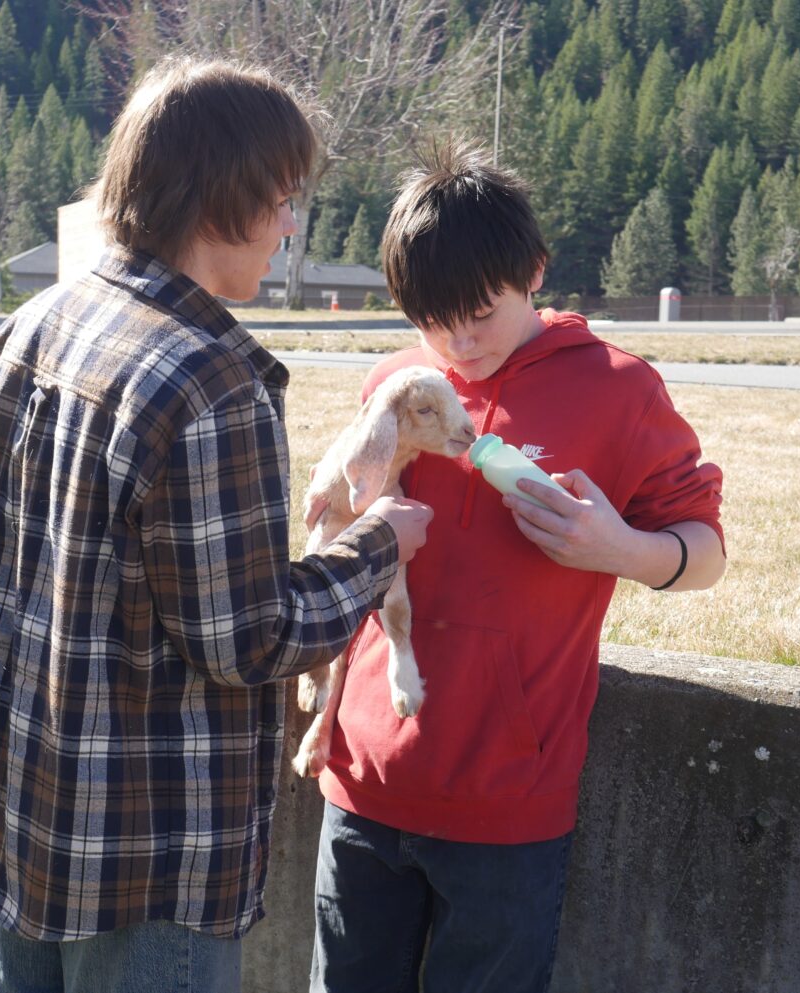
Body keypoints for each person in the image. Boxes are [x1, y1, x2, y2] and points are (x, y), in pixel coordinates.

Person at [0, 57, 433, 993]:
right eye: (283, 199)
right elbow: (249, 637)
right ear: (222, 198)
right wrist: (379, 543)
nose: (290, 226)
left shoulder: (35, 324)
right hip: (149, 855)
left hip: (23, 815)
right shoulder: (211, 383)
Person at [308, 138, 726, 993]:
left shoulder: (619, 389)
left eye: (479, 313)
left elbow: (707, 553)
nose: (458, 342)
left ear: (533, 271)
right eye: (432, 320)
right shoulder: (398, 384)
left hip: (508, 808)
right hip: (363, 784)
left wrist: (617, 548)